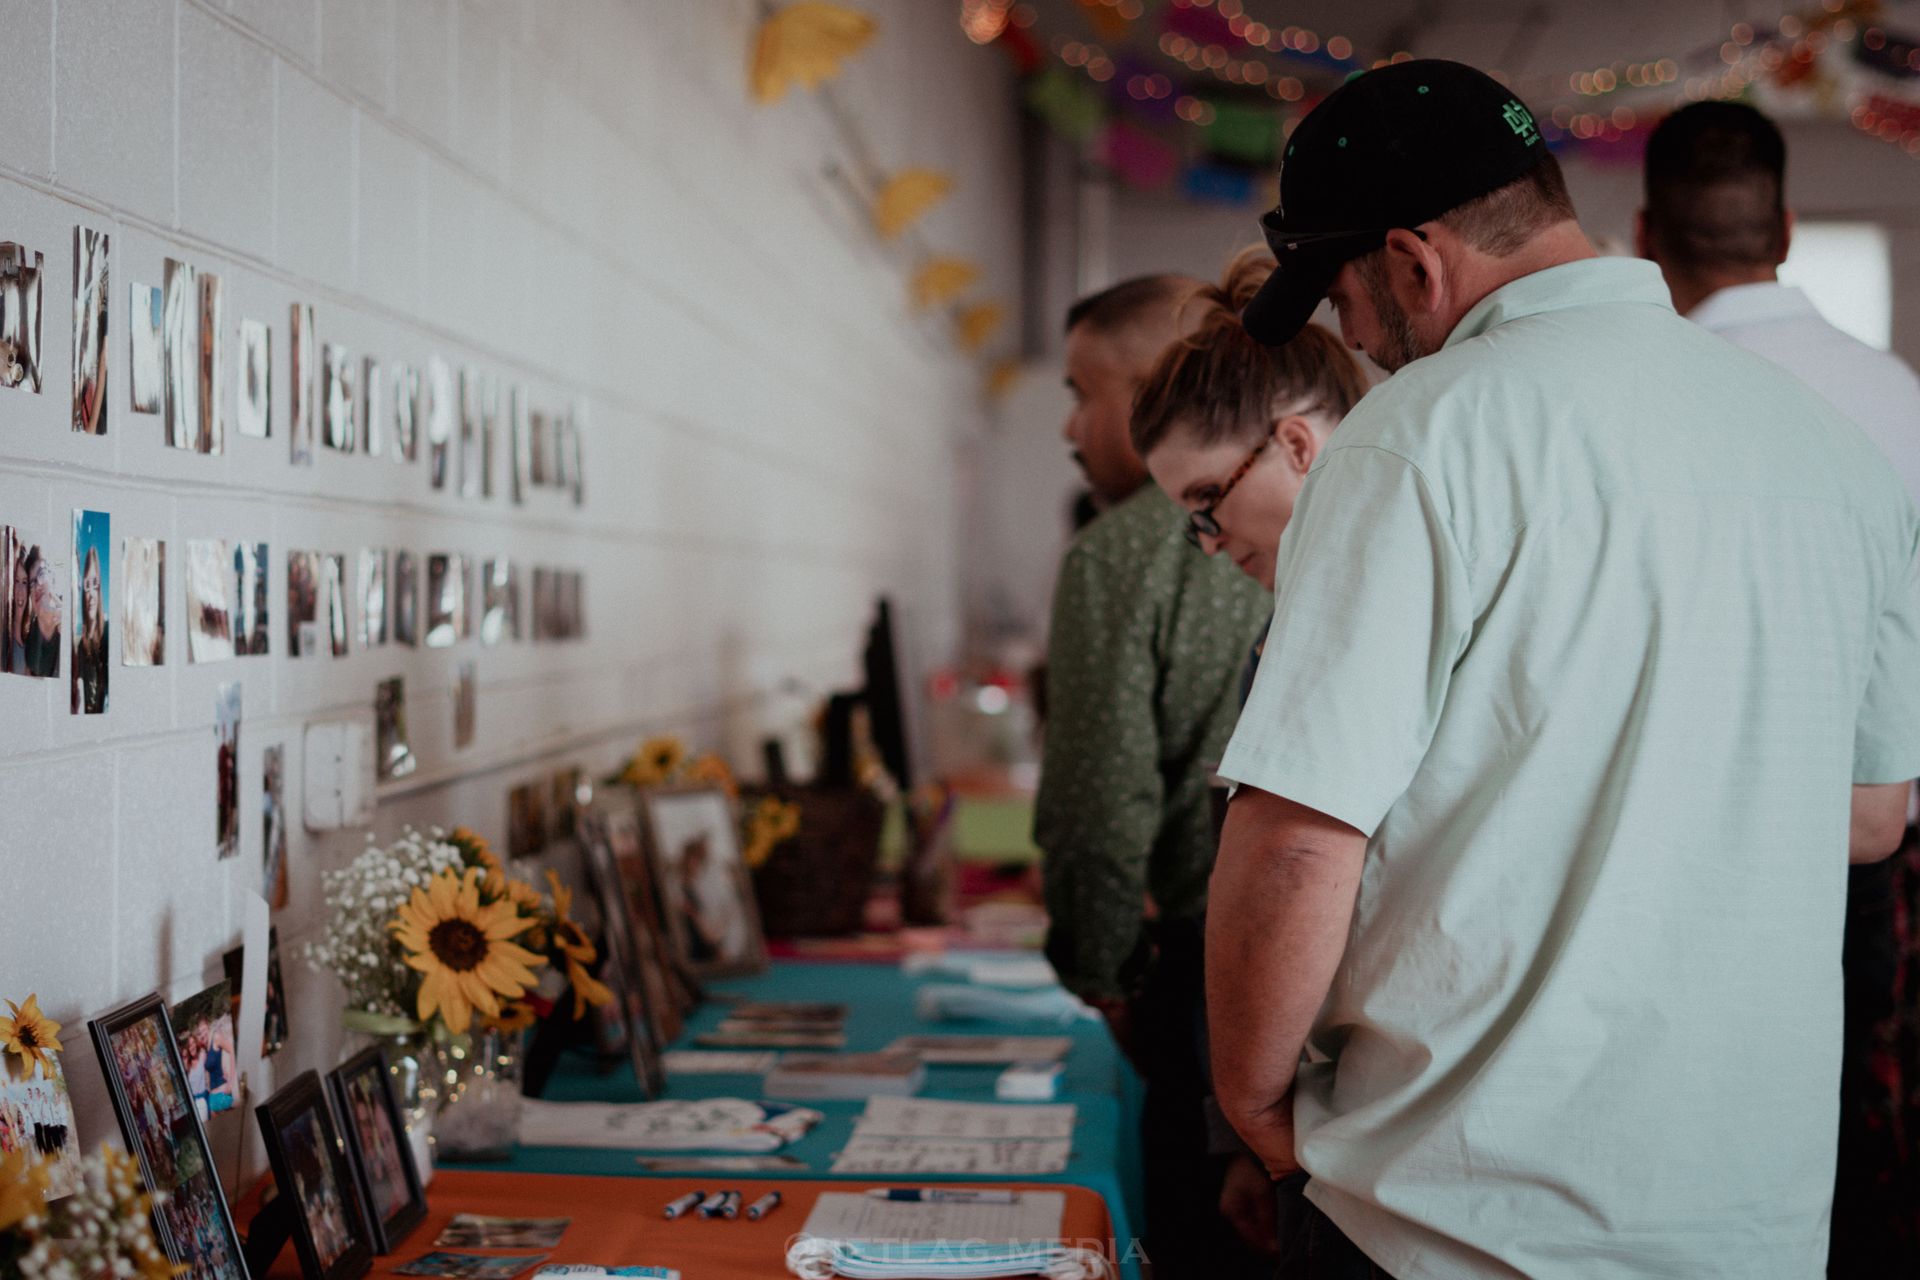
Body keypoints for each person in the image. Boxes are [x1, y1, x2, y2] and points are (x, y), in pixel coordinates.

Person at [1209, 59, 1920, 1279]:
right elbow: (1868, 817)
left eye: (1344, 303)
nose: (1357, 342)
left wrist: (1256, 1107)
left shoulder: (1420, 436)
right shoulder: (1836, 451)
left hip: (1453, 1216)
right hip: (1748, 1213)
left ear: (1416, 261)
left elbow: (1296, 840)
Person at [1639, 100, 1920, 1277]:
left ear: (1647, 236)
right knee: (1869, 1148)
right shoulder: (1900, 395)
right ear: (1789, 228)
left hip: (1701, 853)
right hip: (1887, 834)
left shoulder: (1651, 399)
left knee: (1699, 1154)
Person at [1126, 252, 1371, 1262]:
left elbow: (1296, 866)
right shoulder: (1307, 610)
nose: (1206, 542)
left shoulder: (1350, 616)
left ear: (1297, 445)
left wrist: (1254, 1112)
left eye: (1205, 503)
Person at [1036, 274, 1272, 1277]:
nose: (1069, 426)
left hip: (1198, 971)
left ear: (1152, 395)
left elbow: (1097, 806)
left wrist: (1106, 978)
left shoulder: (1116, 556)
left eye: (1083, 392)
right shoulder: (1340, 520)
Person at [73, 545, 107, 712]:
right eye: (87, 585)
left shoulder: (108, 634)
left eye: (95, 583)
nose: (91, 592)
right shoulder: (81, 646)